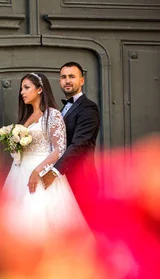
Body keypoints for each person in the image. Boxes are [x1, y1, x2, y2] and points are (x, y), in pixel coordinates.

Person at [1, 72, 87, 240]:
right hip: (19, 173)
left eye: (26, 88)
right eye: (21, 89)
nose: (22, 92)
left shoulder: (52, 115)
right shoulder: (26, 117)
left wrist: (38, 171)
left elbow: (59, 148)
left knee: (40, 221)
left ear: (40, 89)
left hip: (40, 173)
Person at [40, 62, 100, 220]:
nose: (67, 81)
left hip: (81, 177)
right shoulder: (61, 110)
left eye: (72, 76)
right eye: (63, 77)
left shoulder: (88, 108)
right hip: (64, 179)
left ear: (82, 80)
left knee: (86, 225)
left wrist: (54, 172)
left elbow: (79, 144)